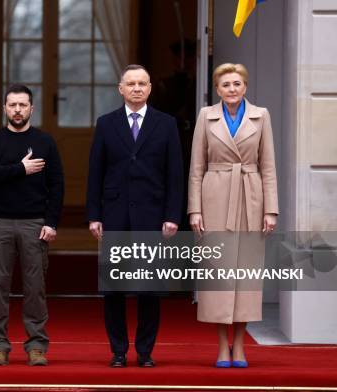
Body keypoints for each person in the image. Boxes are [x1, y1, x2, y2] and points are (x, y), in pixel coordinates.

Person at [86, 64, 183, 368]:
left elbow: (175, 174)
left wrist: (172, 216)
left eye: (143, 83)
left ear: (150, 88)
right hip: (114, 215)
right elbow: (95, 173)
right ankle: (117, 351)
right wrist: (94, 215)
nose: (137, 88)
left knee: (149, 290)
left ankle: (144, 352)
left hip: (153, 217)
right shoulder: (106, 124)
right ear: (121, 89)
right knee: (113, 289)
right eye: (131, 83)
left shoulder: (166, 124)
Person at [187, 63, 278, 368]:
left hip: (251, 199)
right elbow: (196, 167)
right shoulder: (206, 116)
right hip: (215, 198)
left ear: (246, 86)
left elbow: (268, 167)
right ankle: (222, 345)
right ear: (217, 88)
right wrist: (195, 209)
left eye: (237, 83)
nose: (232, 89)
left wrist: (270, 209)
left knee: (247, 276)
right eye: (226, 84)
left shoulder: (261, 116)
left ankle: (240, 344)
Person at [0, 84, 64, 366]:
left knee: (35, 288)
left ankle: (37, 345)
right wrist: (20, 169)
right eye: (12, 105)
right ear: (4, 108)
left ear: (31, 109)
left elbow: (57, 184)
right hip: (0, 223)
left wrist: (51, 222)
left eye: (22, 105)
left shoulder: (45, 142)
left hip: (34, 223)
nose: (17, 110)